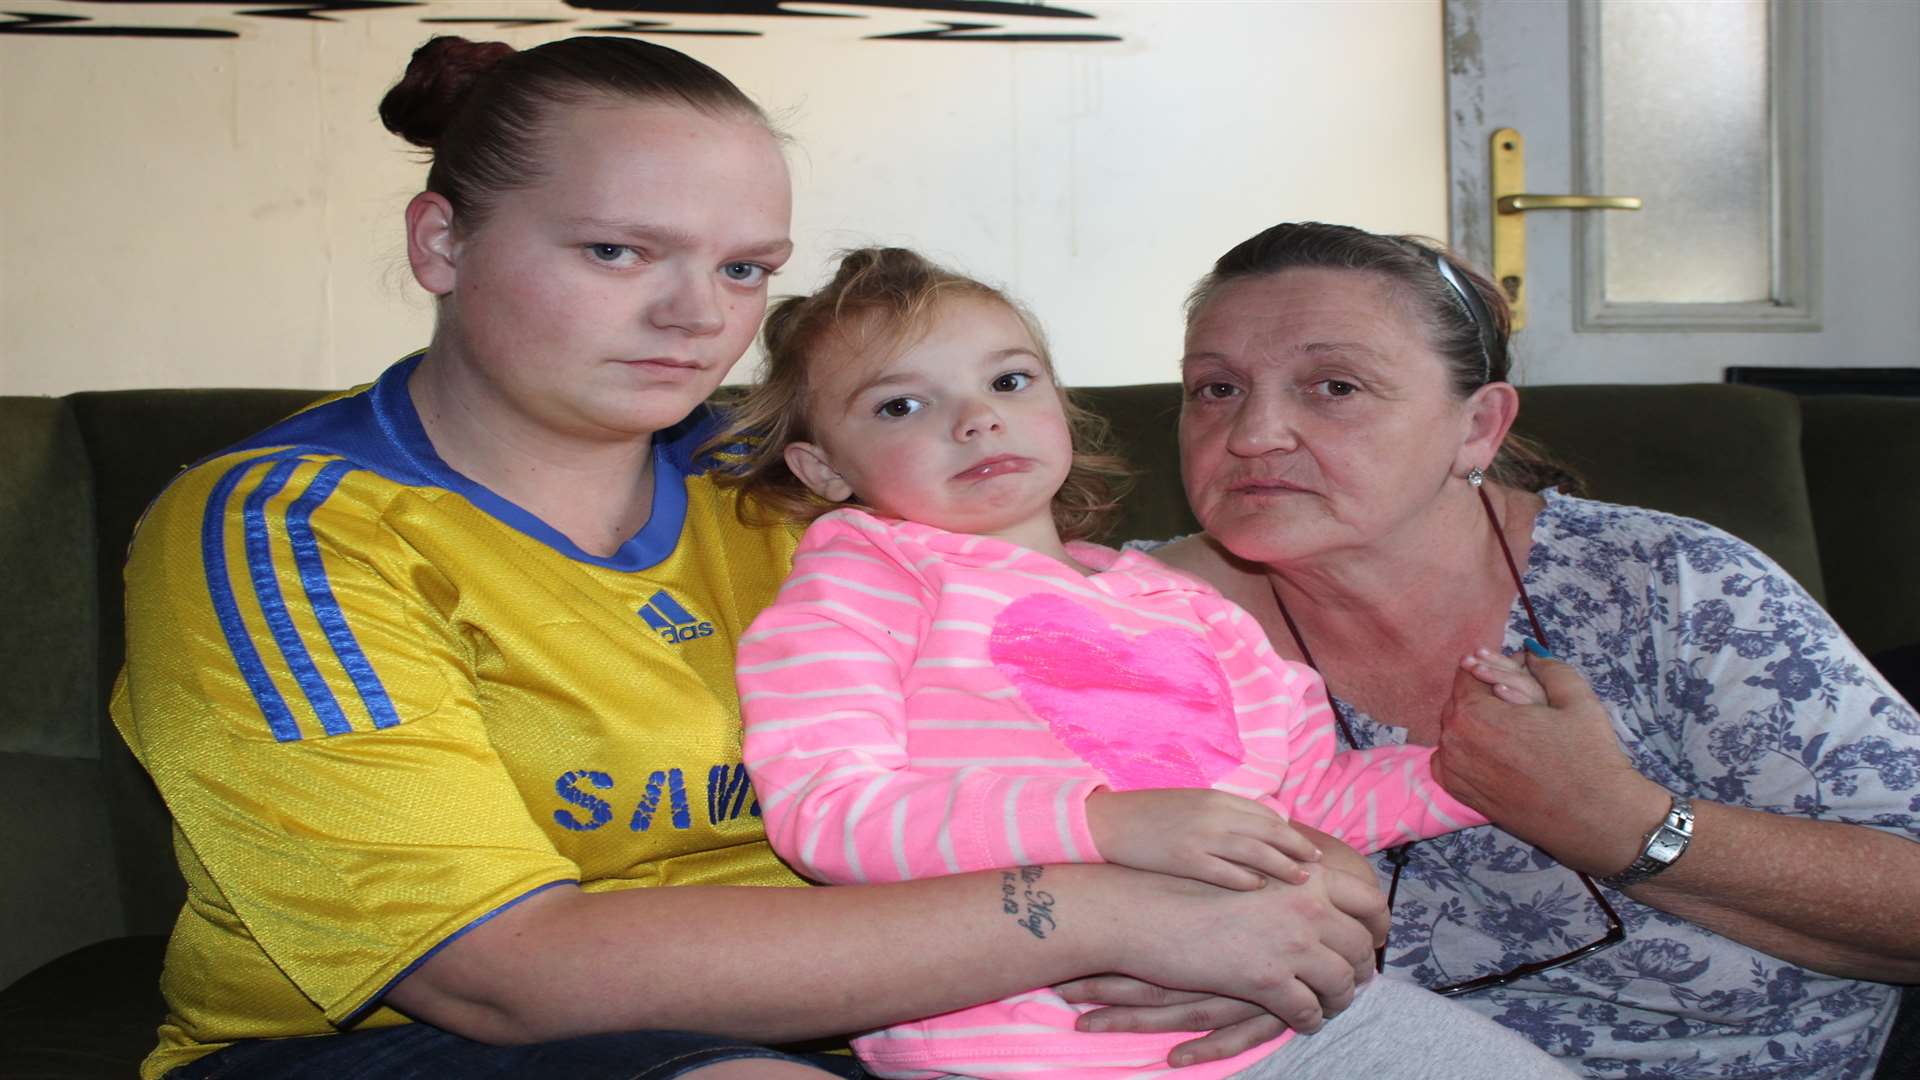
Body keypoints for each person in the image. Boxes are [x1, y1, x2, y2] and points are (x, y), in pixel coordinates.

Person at [107, 41, 1391, 1080]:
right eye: (617, 251)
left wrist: (1299, 893)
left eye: (742, 269)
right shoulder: (289, 533)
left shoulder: (808, 473)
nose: (693, 318)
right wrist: (1108, 910)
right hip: (396, 1048)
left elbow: (1134, 709)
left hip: (902, 1011)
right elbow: (495, 975)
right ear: (440, 243)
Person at [720, 246, 1576, 1080]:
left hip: (1287, 1019)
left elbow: (1302, 800)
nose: (977, 419)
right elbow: (832, 811)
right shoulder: (864, 583)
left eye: (1009, 382)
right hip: (1027, 1047)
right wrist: (1103, 824)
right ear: (824, 469)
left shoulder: (1188, 604)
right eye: (901, 407)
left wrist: (1469, 764)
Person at [1090, 221, 1920, 1079]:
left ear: (1478, 427)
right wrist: (1172, 940)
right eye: (1215, 389)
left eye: (1334, 386)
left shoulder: (1669, 586)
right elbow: (989, 839)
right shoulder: (1113, 623)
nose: (1254, 432)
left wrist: (1625, 822)